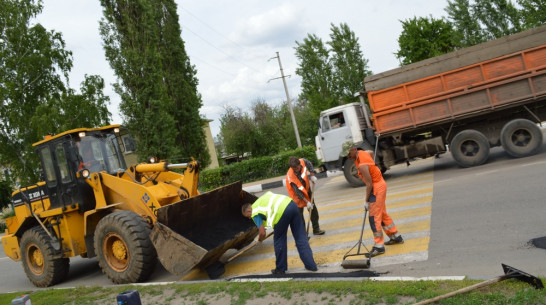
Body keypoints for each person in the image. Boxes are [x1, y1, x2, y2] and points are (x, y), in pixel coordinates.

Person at [339, 141, 404, 257]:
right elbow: (370, 152)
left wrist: (366, 201)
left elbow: (369, 184)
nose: (347, 157)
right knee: (382, 214)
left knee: (374, 218)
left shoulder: (362, 165)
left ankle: (379, 246)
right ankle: (395, 236)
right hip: (380, 185)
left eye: (348, 153)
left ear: (354, 149)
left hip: (376, 188)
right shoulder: (362, 153)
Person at [242, 191, 318, 274]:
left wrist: (259, 240)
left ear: (249, 211)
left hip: (281, 213)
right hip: (292, 204)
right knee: (300, 237)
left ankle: (281, 269)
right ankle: (311, 266)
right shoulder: (261, 201)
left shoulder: (254, 212)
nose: (250, 218)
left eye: (248, 216)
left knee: (279, 240)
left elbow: (262, 232)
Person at [285, 156, 325, 235]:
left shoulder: (302, 161)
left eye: (297, 168)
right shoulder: (291, 176)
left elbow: (309, 164)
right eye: (294, 169)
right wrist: (307, 202)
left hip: (306, 189)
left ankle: (316, 229)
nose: (296, 170)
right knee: (299, 216)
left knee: (313, 209)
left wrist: (312, 174)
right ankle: (303, 236)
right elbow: (298, 193)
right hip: (296, 196)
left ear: (299, 164)